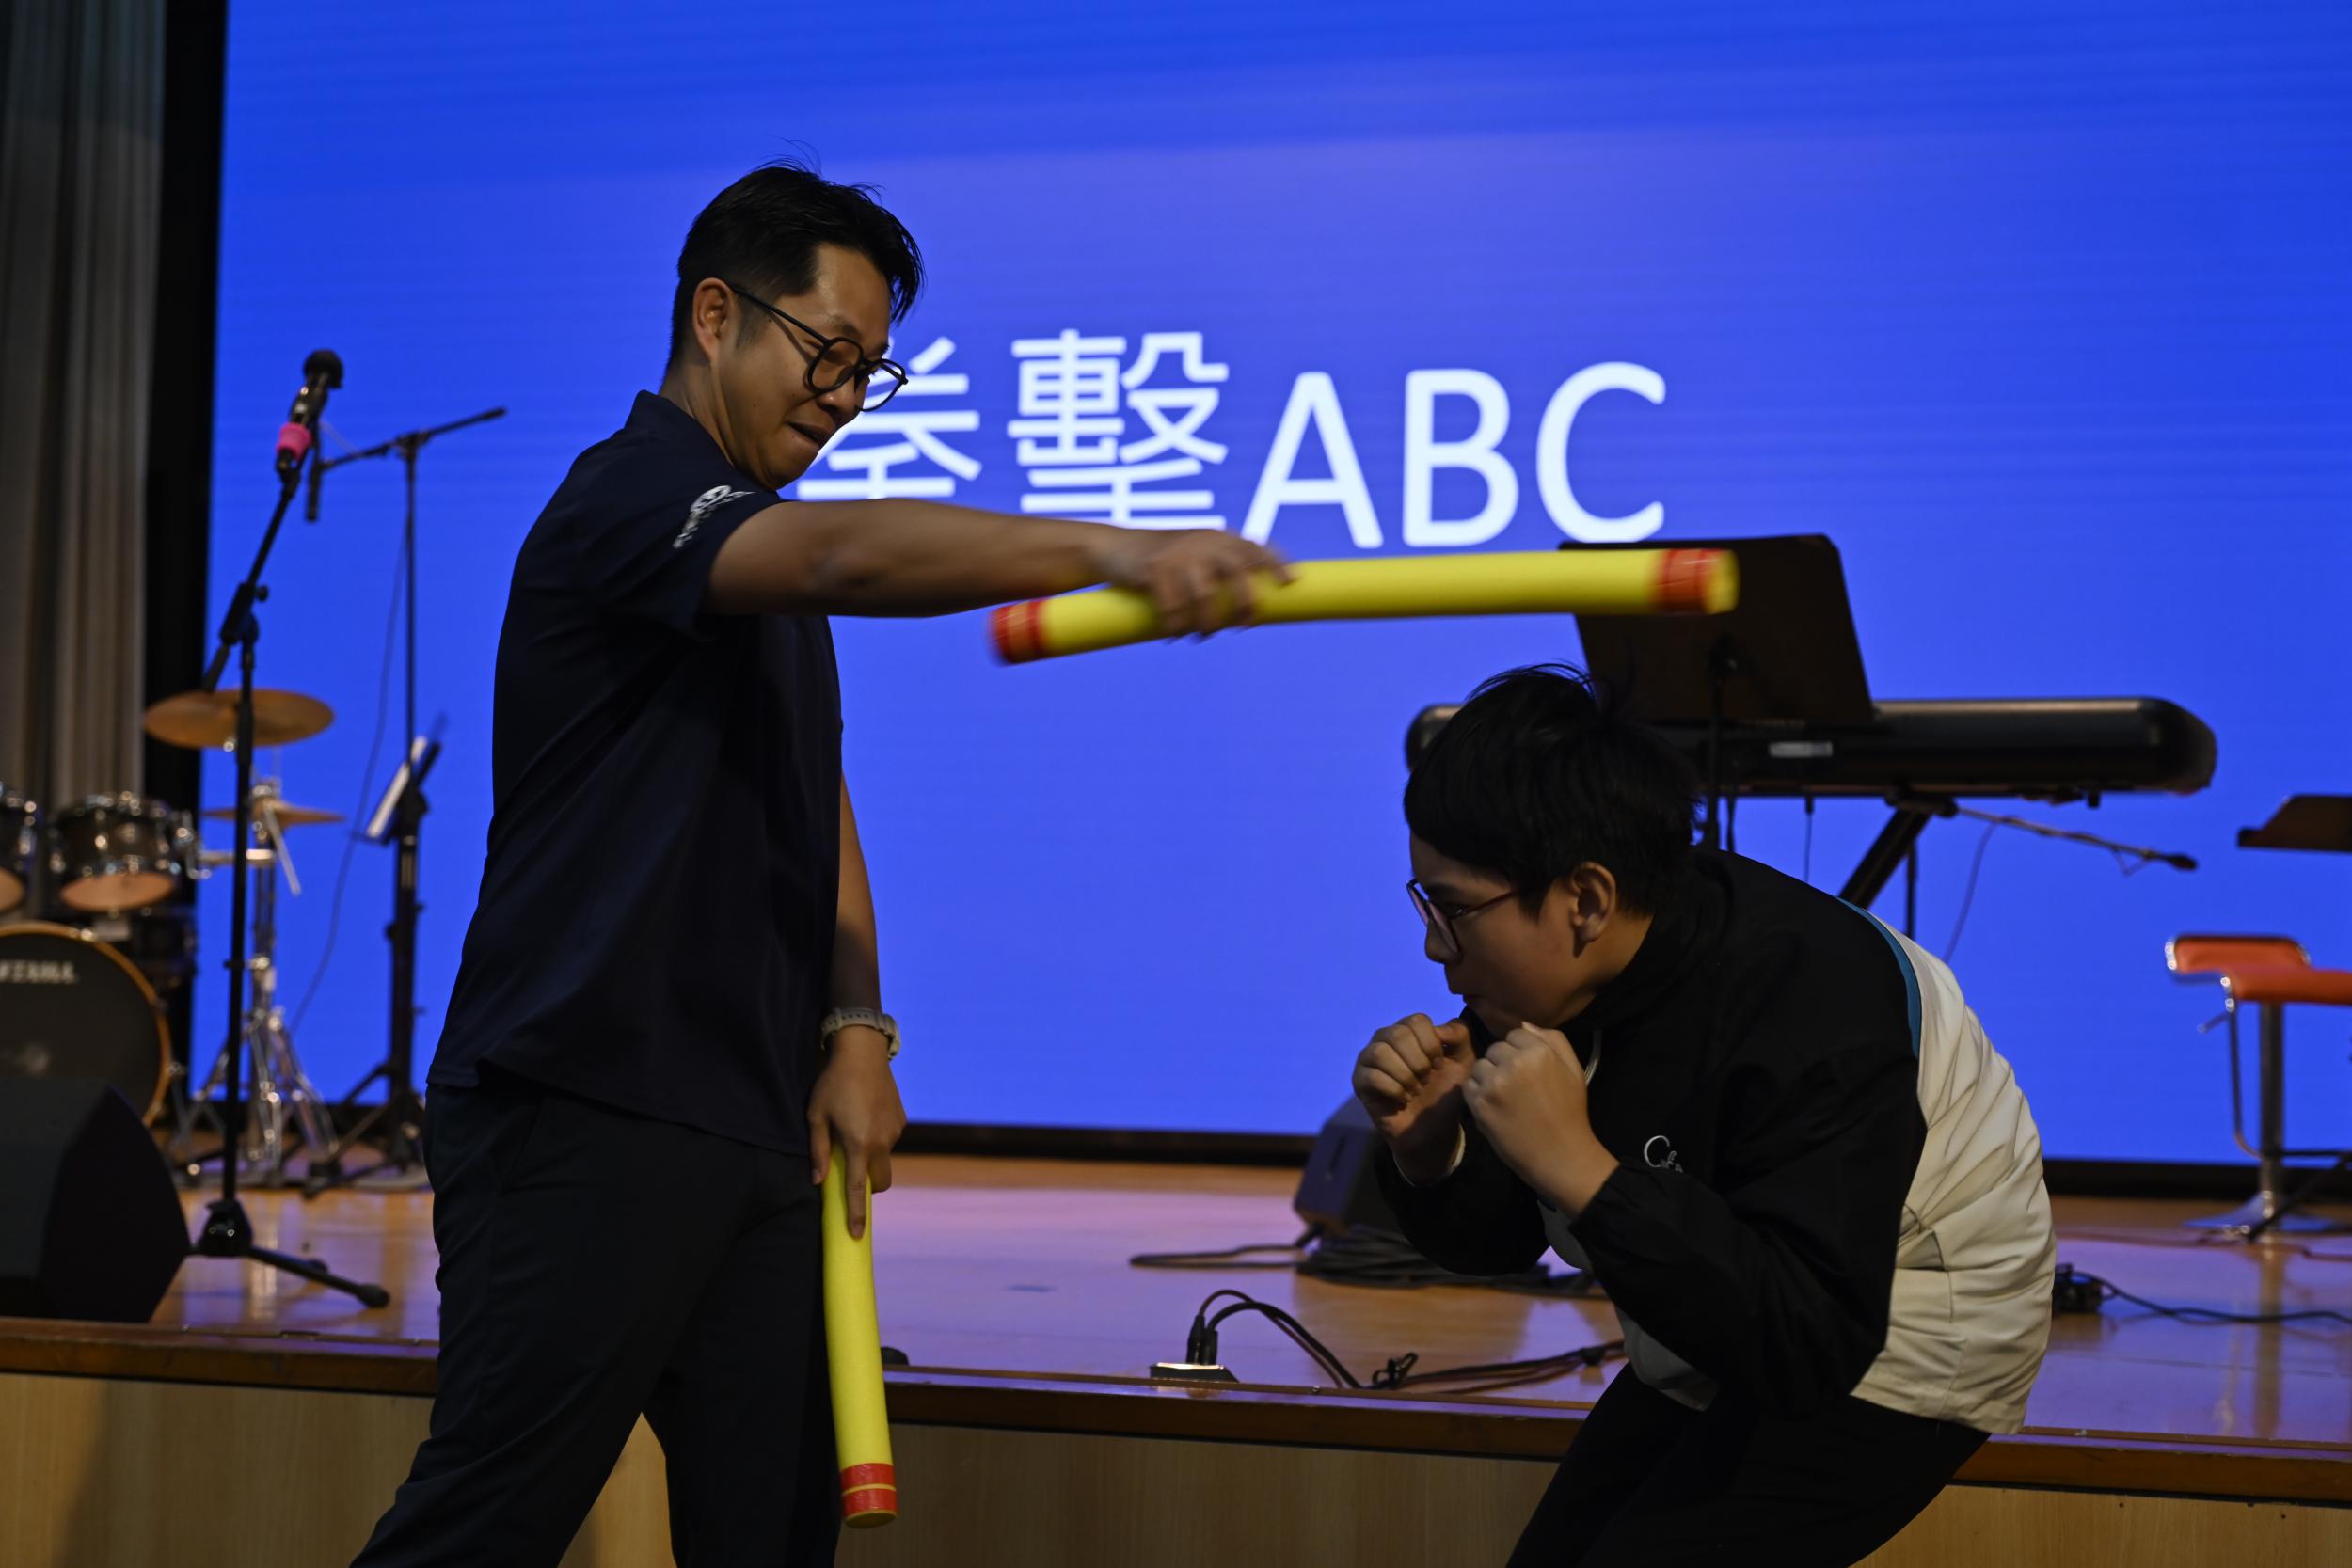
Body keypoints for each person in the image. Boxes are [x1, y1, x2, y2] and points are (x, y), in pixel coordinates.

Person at [350, 161, 1285, 1568]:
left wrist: (856, 1028)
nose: (845, 397)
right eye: (828, 353)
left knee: (773, 1531)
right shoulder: (632, 494)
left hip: (754, 1122)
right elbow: (848, 553)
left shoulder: (755, 551)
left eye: (869, 373)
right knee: (483, 1527)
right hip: (584, 1103)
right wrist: (1113, 547)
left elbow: (814, 794)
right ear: (715, 313)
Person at [1353, 666, 2055, 1568]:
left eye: (1454, 909)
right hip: (1725, 1322)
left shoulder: (1815, 1001)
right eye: (1425, 903)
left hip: (1902, 1337)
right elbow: (1503, 1238)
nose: (1431, 945)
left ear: (1586, 900)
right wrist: (1433, 1152)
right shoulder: (1549, 977)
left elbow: (1811, 1341)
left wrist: (1581, 1169)